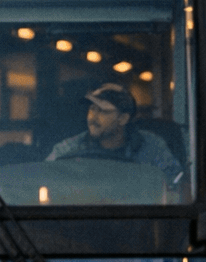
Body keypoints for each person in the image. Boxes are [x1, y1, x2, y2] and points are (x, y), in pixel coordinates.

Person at [45, 83, 186, 196]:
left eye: (104, 111)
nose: (93, 117)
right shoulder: (69, 149)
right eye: (92, 108)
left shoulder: (151, 147)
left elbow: (176, 185)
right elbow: (44, 180)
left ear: (123, 118)